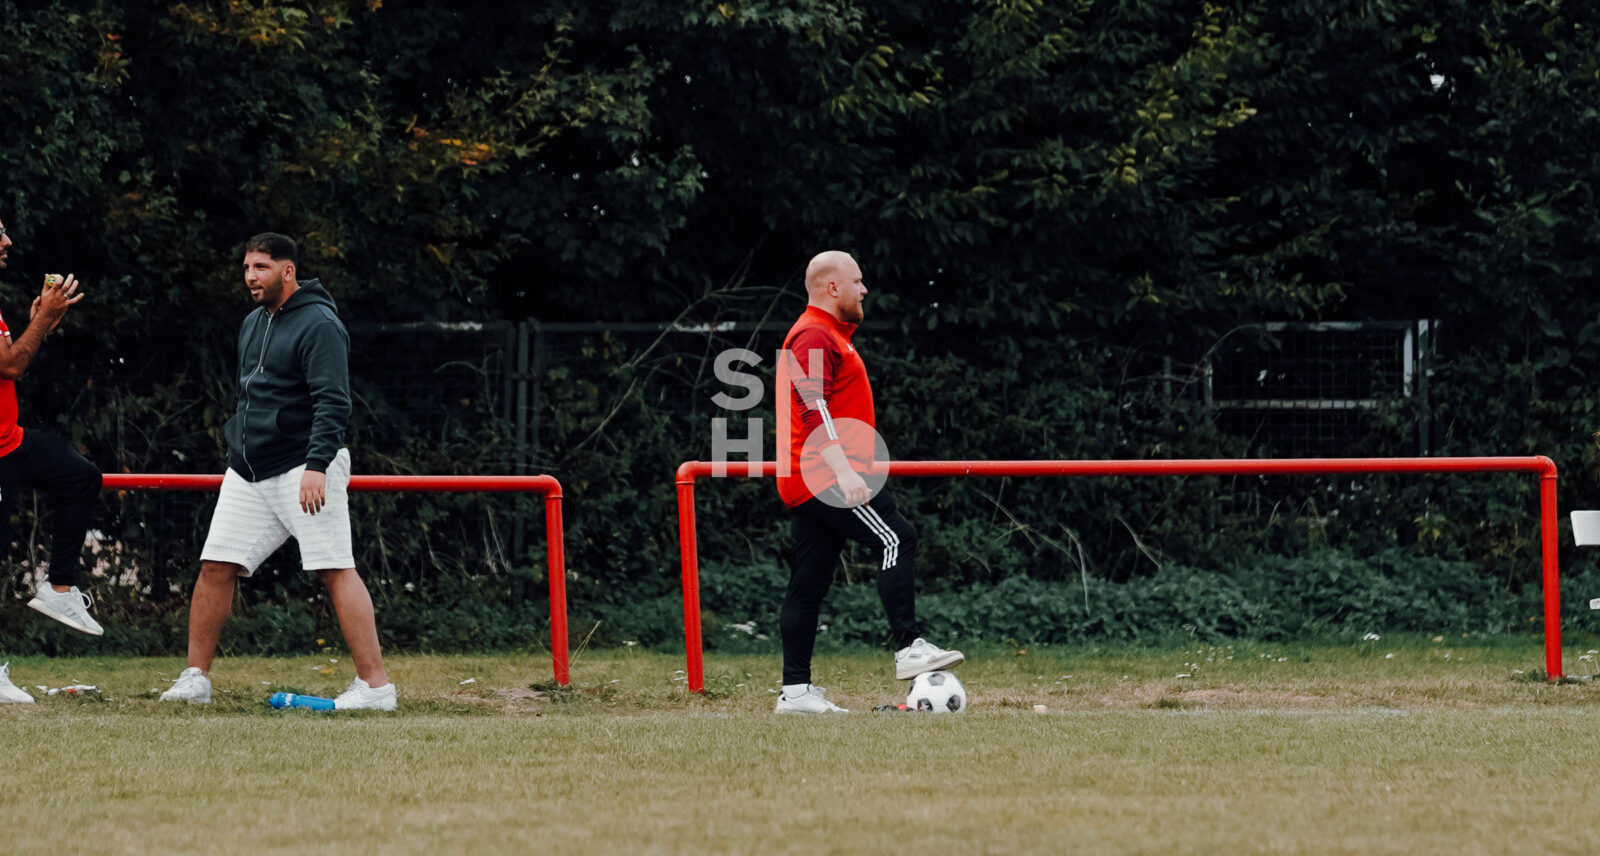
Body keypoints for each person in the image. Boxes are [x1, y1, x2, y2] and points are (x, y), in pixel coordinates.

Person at [159, 233, 395, 710]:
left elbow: (333, 401)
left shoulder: (320, 323)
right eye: (247, 267)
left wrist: (317, 466)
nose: (250, 276)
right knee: (215, 566)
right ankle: (195, 679)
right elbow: (251, 396)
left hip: (305, 465)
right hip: (248, 470)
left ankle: (376, 688)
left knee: (334, 568)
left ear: (288, 271)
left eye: (261, 267)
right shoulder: (252, 322)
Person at [771, 250, 963, 714]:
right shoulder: (814, 333)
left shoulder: (828, 334)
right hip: (825, 475)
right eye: (857, 281)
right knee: (897, 536)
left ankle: (795, 693)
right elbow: (812, 407)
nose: (864, 289)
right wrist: (843, 470)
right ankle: (909, 646)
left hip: (808, 476)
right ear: (832, 287)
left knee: (808, 583)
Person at [0, 218, 105, 704]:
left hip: (10, 441)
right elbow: (11, 365)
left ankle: (60, 590)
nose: (7, 241)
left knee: (79, 476)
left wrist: (40, 321)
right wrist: (42, 319)